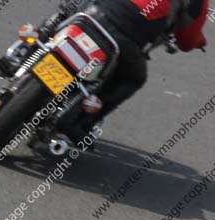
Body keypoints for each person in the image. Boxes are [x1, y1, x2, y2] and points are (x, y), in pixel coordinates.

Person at [41, 0, 209, 143]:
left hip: (93, 13)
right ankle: (78, 120)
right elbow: (188, 40)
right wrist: (199, 40)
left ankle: (33, 43)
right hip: (125, 39)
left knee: (64, 13)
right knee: (135, 78)